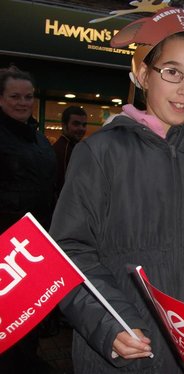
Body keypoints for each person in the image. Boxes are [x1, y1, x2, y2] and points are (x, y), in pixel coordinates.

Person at [49, 6, 184, 374]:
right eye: (172, 72)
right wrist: (109, 321)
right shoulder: (99, 152)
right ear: (143, 74)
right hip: (120, 351)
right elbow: (69, 250)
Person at [0, 66, 58, 372]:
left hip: (36, 245)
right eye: (14, 97)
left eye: (28, 96)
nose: (22, 102)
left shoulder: (38, 139)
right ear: (0, 98)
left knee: (30, 315)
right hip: (5, 247)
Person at [53, 105, 87, 195]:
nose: (81, 128)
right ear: (64, 126)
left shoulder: (74, 147)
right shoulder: (62, 150)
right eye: (76, 124)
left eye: (84, 125)